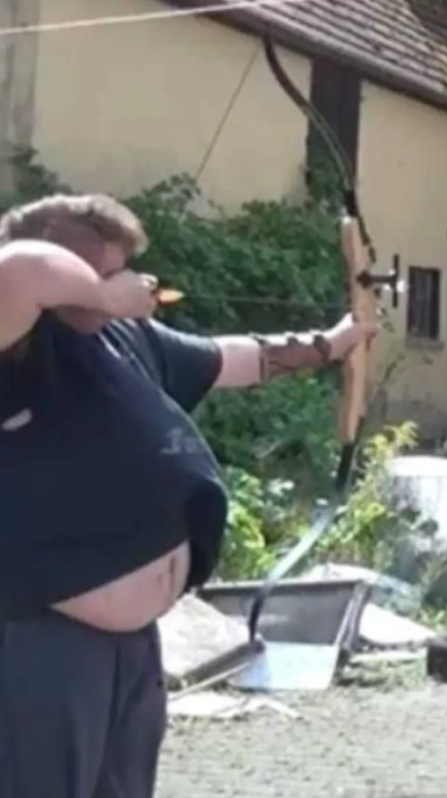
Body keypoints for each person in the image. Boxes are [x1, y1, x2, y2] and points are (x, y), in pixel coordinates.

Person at [0, 193, 376, 798]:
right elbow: (18, 269)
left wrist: (332, 343)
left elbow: (234, 359)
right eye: (111, 270)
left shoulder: (123, 338)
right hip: (45, 640)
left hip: (133, 645)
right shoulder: (16, 341)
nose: (134, 283)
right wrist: (106, 296)